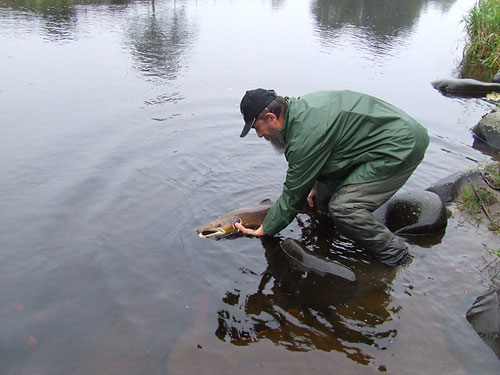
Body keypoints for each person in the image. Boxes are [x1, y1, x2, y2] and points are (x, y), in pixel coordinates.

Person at [234, 88, 429, 266]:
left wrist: (266, 228)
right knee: (322, 196)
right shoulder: (299, 108)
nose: (259, 135)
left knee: (344, 208)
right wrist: (311, 182)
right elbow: (326, 149)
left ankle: (398, 255)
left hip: (401, 146)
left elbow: (292, 196)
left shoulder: (304, 137)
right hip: (380, 138)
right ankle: (330, 234)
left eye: (257, 128)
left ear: (271, 117)